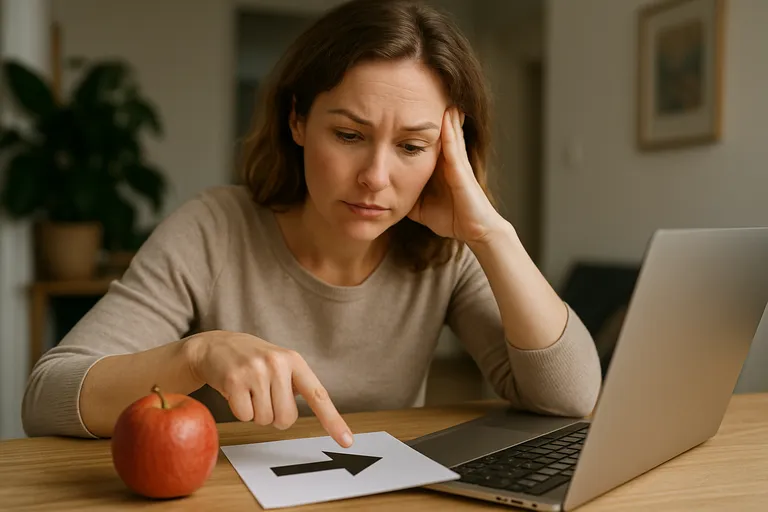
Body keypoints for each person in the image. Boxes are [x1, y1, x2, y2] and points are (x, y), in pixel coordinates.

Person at [22, 0, 601, 449]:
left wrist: (490, 234)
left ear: (445, 153)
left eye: (411, 145)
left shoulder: (443, 250)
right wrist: (195, 356)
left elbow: (572, 399)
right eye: (349, 135)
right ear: (297, 120)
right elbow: (47, 398)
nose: (376, 176)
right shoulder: (213, 229)